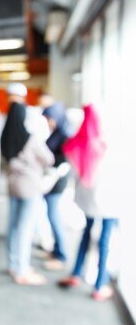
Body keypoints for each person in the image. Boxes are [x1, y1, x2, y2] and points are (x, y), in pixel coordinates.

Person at [59, 104, 120, 302]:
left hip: (89, 200)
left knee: (86, 233)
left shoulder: (82, 140)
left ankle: (76, 273)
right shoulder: (108, 142)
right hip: (108, 200)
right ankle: (99, 285)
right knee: (105, 239)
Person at [1, 84, 55, 286]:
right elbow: (49, 159)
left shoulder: (5, 137)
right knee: (25, 229)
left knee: (13, 226)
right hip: (30, 187)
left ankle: (13, 263)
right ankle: (22, 270)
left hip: (13, 186)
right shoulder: (31, 139)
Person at [41, 102, 72, 271]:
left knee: (54, 215)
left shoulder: (65, 136)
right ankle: (55, 250)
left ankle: (62, 254)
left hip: (56, 181)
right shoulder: (56, 134)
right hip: (50, 179)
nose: (48, 122)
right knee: (50, 214)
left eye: (50, 119)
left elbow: (63, 161)